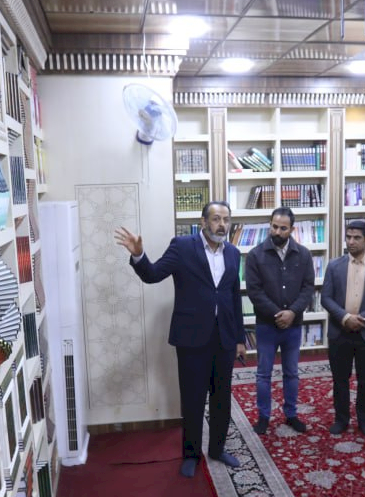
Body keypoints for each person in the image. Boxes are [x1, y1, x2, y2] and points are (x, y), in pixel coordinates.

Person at [114, 202, 246, 478]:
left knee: (221, 398)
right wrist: (139, 255)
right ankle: (191, 455)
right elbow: (153, 275)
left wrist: (239, 338)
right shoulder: (183, 247)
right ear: (203, 222)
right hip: (192, 339)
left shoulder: (233, 253)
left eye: (226, 219)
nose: (222, 225)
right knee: (193, 399)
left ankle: (218, 449)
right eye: (216, 219)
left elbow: (234, 297)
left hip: (223, 338)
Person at [244, 207, 315, 435]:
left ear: (292, 229)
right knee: (263, 374)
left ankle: (291, 414)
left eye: (283, 228)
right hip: (266, 325)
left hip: (293, 325)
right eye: (274, 226)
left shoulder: (303, 254)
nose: (277, 231)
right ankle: (263, 417)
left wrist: (292, 312)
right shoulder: (255, 255)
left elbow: (308, 288)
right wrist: (278, 314)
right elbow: (254, 291)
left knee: (291, 372)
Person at [320, 220, 365, 439]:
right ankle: (341, 420)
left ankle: (364, 421)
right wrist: (345, 317)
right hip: (340, 332)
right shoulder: (334, 265)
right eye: (348, 237)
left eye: (356, 238)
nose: (351, 242)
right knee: (340, 380)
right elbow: (325, 298)